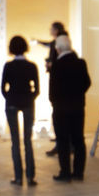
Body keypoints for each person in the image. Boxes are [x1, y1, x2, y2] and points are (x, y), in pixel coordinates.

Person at [50, 33, 91, 182]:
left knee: (62, 140)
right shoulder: (81, 63)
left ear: (58, 49)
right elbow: (87, 83)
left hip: (61, 108)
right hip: (78, 107)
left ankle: (65, 172)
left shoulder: (57, 65)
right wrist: (78, 95)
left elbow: (52, 90)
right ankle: (79, 172)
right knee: (78, 139)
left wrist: (55, 103)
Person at [2, 35, 39, 186]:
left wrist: (9, 97)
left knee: (15, 141)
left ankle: (18, 177)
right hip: (27, 102)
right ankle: (30, 177)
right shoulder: (31, 66)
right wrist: (30, 97)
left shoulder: (8, 66)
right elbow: (37, 88)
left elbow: (3, 87)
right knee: (28, 140)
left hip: (12, 102)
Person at [41, 21, 65, 157]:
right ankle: (63, 143)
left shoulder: (59, 64)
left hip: (58, 90)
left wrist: (50, 66)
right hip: (64, 95)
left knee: (59, 116)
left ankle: (61, 145)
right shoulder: (78, 63)